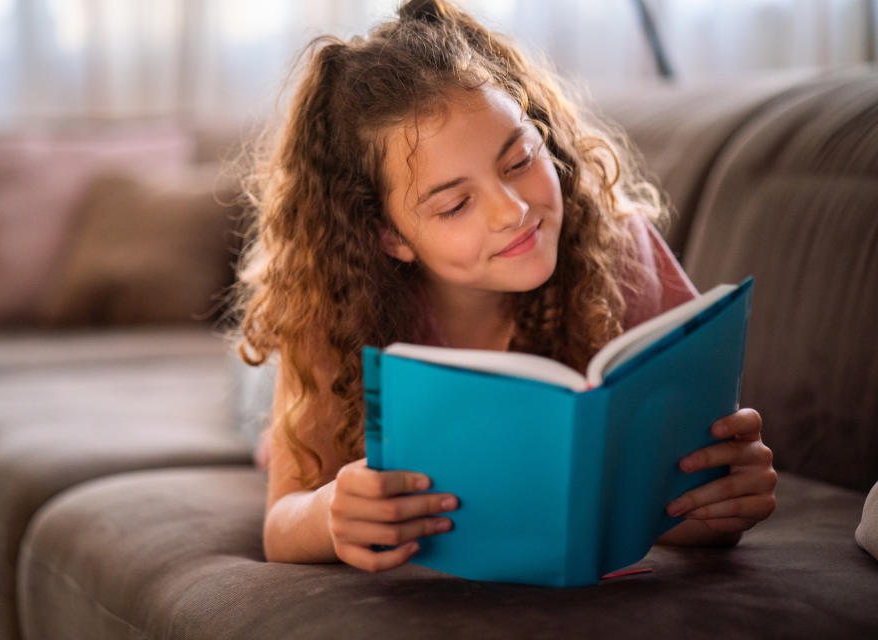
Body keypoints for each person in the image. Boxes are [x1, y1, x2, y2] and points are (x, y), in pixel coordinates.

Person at [233, 0, 777, 573]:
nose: (513, 210)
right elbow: (282, 524)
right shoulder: (333, 307)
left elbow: (692, 502)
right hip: (283, 374)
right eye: (455, 204)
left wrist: (723, 502)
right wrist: (327, 511)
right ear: (389, 236)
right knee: (260, 410)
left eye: (519, 159)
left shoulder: (623, 253)